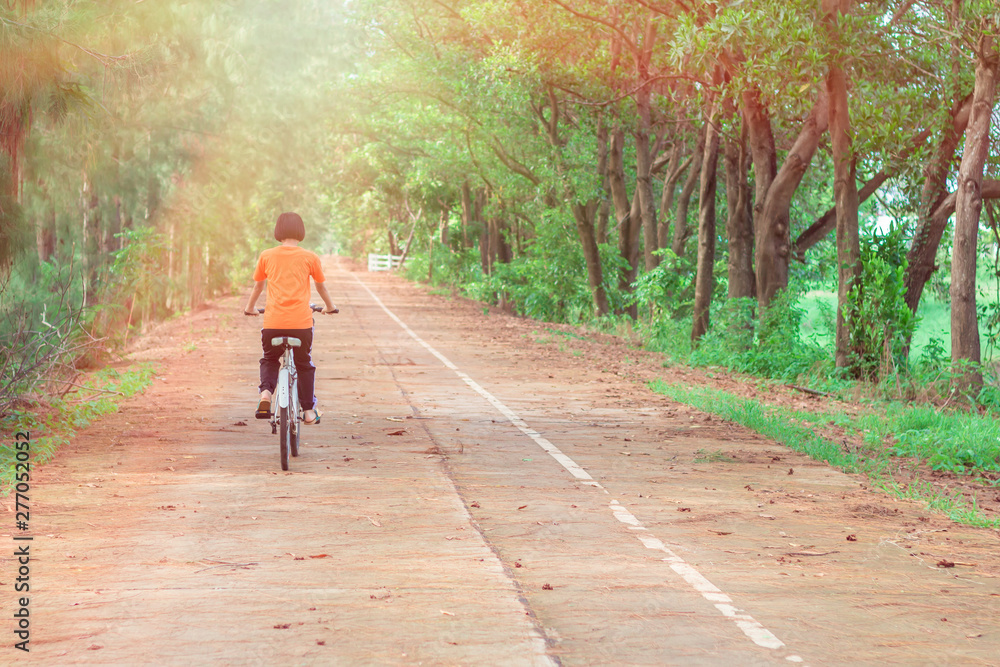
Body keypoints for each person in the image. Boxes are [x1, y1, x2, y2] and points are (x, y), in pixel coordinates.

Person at [243, 212, 336, 424]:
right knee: (304, 364)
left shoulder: (267, 255)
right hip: (301, 325)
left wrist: (250, 308)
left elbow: (258, 287)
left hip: (273, 323)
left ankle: (266, 395)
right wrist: (330, 307)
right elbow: (321, 287)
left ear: (278, 231)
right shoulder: (310, 257)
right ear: (301, 231)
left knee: (269, 359)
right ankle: (309, 411)